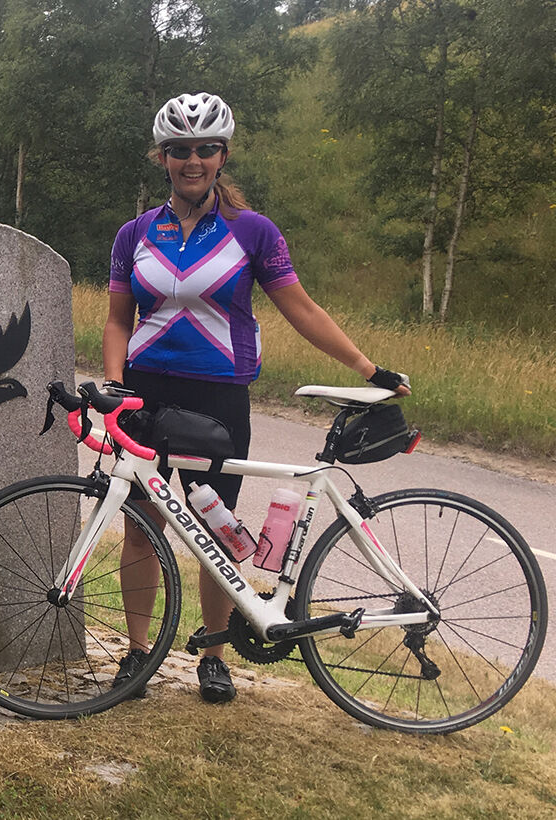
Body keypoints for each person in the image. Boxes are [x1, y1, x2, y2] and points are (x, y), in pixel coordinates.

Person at [103, 92, 411, 703]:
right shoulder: (135, 232)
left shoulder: (253, 232)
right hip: (145, 395)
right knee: (141, 530)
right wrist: (113, 384)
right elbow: (117, 320)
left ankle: (213, 655)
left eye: (205, 149)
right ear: (163, 158)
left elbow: (301, 309)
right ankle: (138, 654)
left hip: (218, 399)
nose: (193, 160)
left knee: (211, 533)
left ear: (223, 155)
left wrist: (368, 367)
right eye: (180, 150)